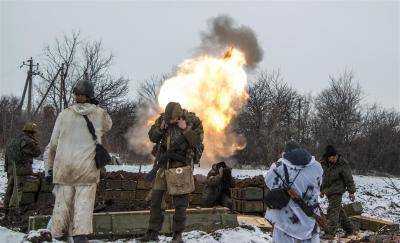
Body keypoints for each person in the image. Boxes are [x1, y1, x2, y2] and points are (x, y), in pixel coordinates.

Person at [47, 79, 112, 243]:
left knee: (62, 205)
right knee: (83, 204)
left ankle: (57, 235)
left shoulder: (64, 114)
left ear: (75, 95)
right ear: (90, 95)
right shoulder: (99, 113)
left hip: (64, 168)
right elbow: (108, 125)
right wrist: (96, 106)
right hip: (86, 169)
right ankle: (79, 237)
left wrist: (48, 169)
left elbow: (53, 144)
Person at [141, 102, 203, 243]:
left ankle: (177, 235)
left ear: (179, 115)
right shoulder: (163, 119)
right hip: (163, 165)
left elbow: (197, 143)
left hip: (181, 165)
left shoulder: (192, 121)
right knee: (156, 200)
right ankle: (152, 233)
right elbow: (152, 136)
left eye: (172, 120)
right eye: (169, 120)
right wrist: (160, 129)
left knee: (180, 204)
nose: (170, 122)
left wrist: (186, 130)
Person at [265, 141, 323, 243]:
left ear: (285, 152)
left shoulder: (279, 166)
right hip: (309, 215)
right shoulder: (316, 166)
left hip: (286, 217)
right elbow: (319, 185)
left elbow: (268, 182)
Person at [320, 145, 356, 239]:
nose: (334, 158)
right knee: (338, 211)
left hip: (337, 190)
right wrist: (321, 190)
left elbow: (348, 178)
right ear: (328, 157)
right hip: (328, 190)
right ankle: (350, 229)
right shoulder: (323, 163)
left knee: (333, 211)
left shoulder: (342, 163)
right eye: (332, 157)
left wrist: (351, 192)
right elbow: (322, 178)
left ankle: (330, 233)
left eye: (335, 156)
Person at [3, 122, 41, 209]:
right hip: (21, 169)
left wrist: (6, 168)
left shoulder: (14, 139)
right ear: (32, 132)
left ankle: (6, 207)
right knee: (18, 190)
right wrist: (35, 142)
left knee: (9, 189)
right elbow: (37, 153)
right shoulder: (29, 141)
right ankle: (13, 210)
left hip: (10, 168)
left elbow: (7, 154)